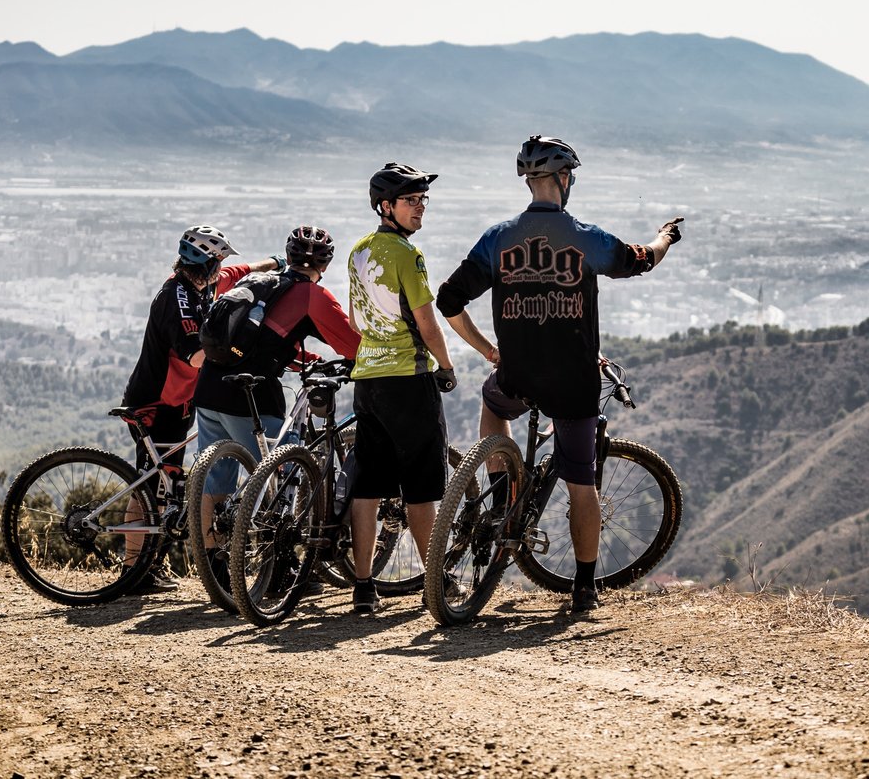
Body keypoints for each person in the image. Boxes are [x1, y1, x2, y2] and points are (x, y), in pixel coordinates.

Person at [436, 135, 683, 615]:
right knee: (581, 485)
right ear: (565, 179)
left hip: (517, 375)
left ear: (529, 181)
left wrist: (489, 349)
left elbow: (449, 301)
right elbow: (642, 260)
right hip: (573, 381)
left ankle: (503, 491)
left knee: (493, 406)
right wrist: (666, 236)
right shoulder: (584, 237)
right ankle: (585, 589)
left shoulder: (498, 237)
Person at [121, 225, 283, 593]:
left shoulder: (204, 284)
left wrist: (276, 263)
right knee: (149, 486)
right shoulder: (175, 298)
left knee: (168, 481)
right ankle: (133, 572)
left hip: (179, 401)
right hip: (158, 401)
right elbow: (195, 356)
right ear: (206, 262)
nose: (222, 266)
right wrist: (242, 349)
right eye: (218, 259)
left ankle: (146, 567)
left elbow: (240, 272)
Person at [344, 163, 458, 614]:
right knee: (421, 489)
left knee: (367, 487)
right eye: (411, 200)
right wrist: (445, 366)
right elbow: (427, 322)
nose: (420, 208)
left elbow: (356, 321)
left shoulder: (357, 251)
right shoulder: (408, 256)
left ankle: (363, 587)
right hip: (409, 380)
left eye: (422, 200)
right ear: (386, 206)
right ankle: (438, 584)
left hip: (367, 380)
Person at [191, 225, 361, 491]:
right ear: (325, 266)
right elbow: (355, 346)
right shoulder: (313, 297)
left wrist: (305, 359)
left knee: (213, 487)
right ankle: (287, 527)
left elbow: (260, 341)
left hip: (209, 388)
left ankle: (205, 534)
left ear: (288, 257)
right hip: (249, 399)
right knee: (291, 468)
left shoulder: (263, 285)